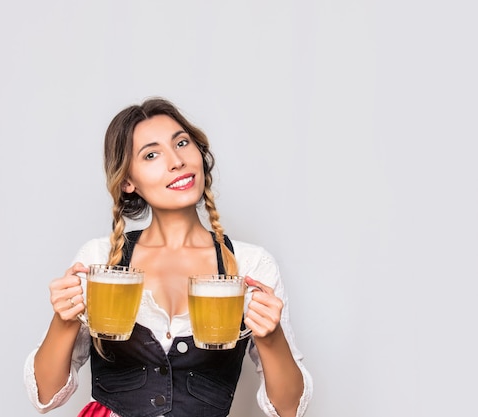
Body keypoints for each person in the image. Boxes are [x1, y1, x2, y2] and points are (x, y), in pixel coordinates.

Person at [24, 98, 313, 417]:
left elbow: (290, 409)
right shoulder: (101, 260)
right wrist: (64, 321)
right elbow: (45, 396)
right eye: (151, 154)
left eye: (182, 143)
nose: (176, 161)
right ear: (128, 181)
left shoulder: (250, 265)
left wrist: (271, 338)